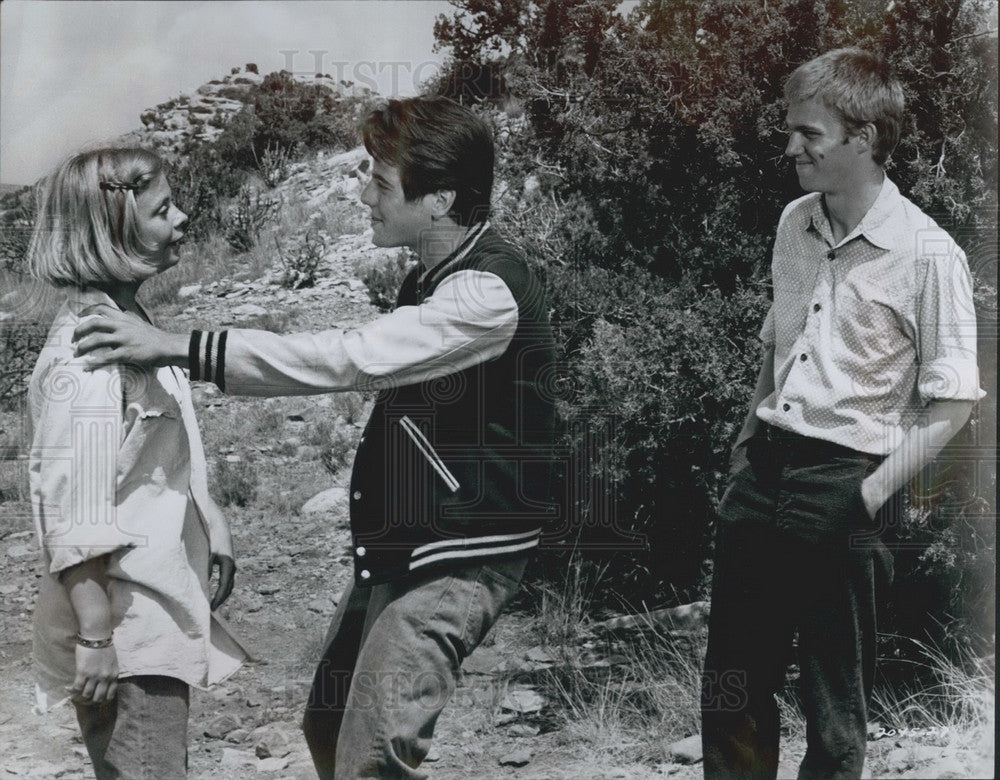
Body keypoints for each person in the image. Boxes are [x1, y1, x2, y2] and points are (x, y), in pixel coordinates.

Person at [72, 96, 557, 778]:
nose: (363, 195)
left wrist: (178, 346)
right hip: (415, 542)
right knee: (329, 723)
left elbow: (347, 359)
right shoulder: (439, 271)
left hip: (461, 553)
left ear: (440, 198)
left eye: (380, 184)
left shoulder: (484, 294)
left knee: (375, 755)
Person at [699, 48, 984, 779]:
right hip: (763, 472)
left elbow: (953, 400)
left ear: (863, 137)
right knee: (734, 683)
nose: (791, 146)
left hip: (847, 482)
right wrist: (743, 444)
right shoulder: (794, 223)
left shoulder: (927, 253)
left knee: (832, 701)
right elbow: (775, 345)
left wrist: (870, 493)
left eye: (809, 133)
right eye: (790, 129)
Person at [25, 148, 248, 778]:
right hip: (123, 626)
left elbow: (155, 460)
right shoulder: (91, 354)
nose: (182, 218)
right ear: (114, 229)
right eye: (162, 209)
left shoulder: (129, 324)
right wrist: (95, 638)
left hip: (151, 608)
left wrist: (212, 526)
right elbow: (77, 507)